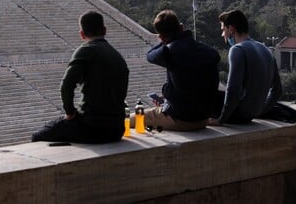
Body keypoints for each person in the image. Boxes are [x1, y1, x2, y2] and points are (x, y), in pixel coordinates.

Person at [31, 11, 129, 143]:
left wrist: (70, 112)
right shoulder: (118, 56)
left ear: (82, 34)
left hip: (92, 127)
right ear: (105, 30)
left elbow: (66, 86)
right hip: (117, 129)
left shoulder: (86, 50)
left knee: (38, 136)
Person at [132, 10, 220, 131]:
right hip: (203, 118)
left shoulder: (169, 52)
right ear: (181, 27)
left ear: (161, 37)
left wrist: (164, 41)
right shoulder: (209, 51)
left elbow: (150, 55)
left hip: (181, 119)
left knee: (128, 119)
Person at [210, 10, 283, 125]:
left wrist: (221, 120)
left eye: (224, 30)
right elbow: (278, 90)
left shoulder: (237, 49)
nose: (222, 35)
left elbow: (233, 89)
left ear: (231, 29)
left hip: (237, 115)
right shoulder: (267, 50)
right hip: (252, 114)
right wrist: (260, 111)